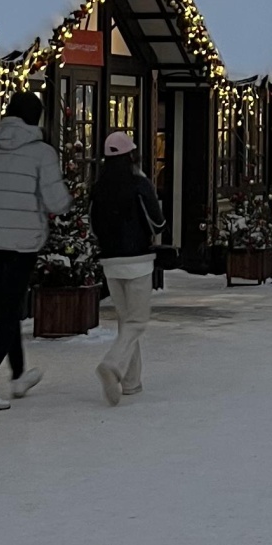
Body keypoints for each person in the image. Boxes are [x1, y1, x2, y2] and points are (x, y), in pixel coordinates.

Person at [0, 91, 69, 410]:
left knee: (9, 305)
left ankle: (19, 375)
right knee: (11, 311)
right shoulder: (42, 153)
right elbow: (57, 202)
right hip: (24, 243)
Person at [89, 129, 163, 406]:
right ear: (132, 154)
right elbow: (157, 220)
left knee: (125, 320)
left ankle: (132, 382)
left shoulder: (98, 187)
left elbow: (93, 223)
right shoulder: (138, 183)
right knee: (137, 321)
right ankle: (112, 365)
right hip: (139, 260)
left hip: (110, 261)